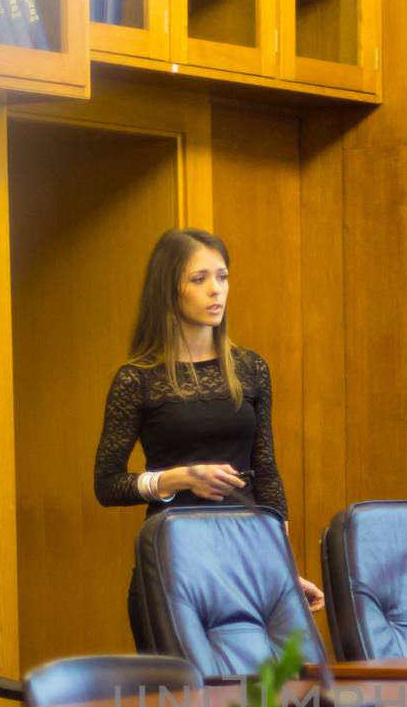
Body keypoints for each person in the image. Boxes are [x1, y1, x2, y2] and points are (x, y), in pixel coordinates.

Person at [94, 228, 323, 649]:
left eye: (222, 276)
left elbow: (267, 472)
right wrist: (178, 479)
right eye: (199, 279)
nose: (216, 291)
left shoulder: (251, 368)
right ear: (169, 291)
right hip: (175, 563)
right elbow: (106, 484)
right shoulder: (137, 379)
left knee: (276, 702)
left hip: (247, 559)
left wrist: (284, 568)